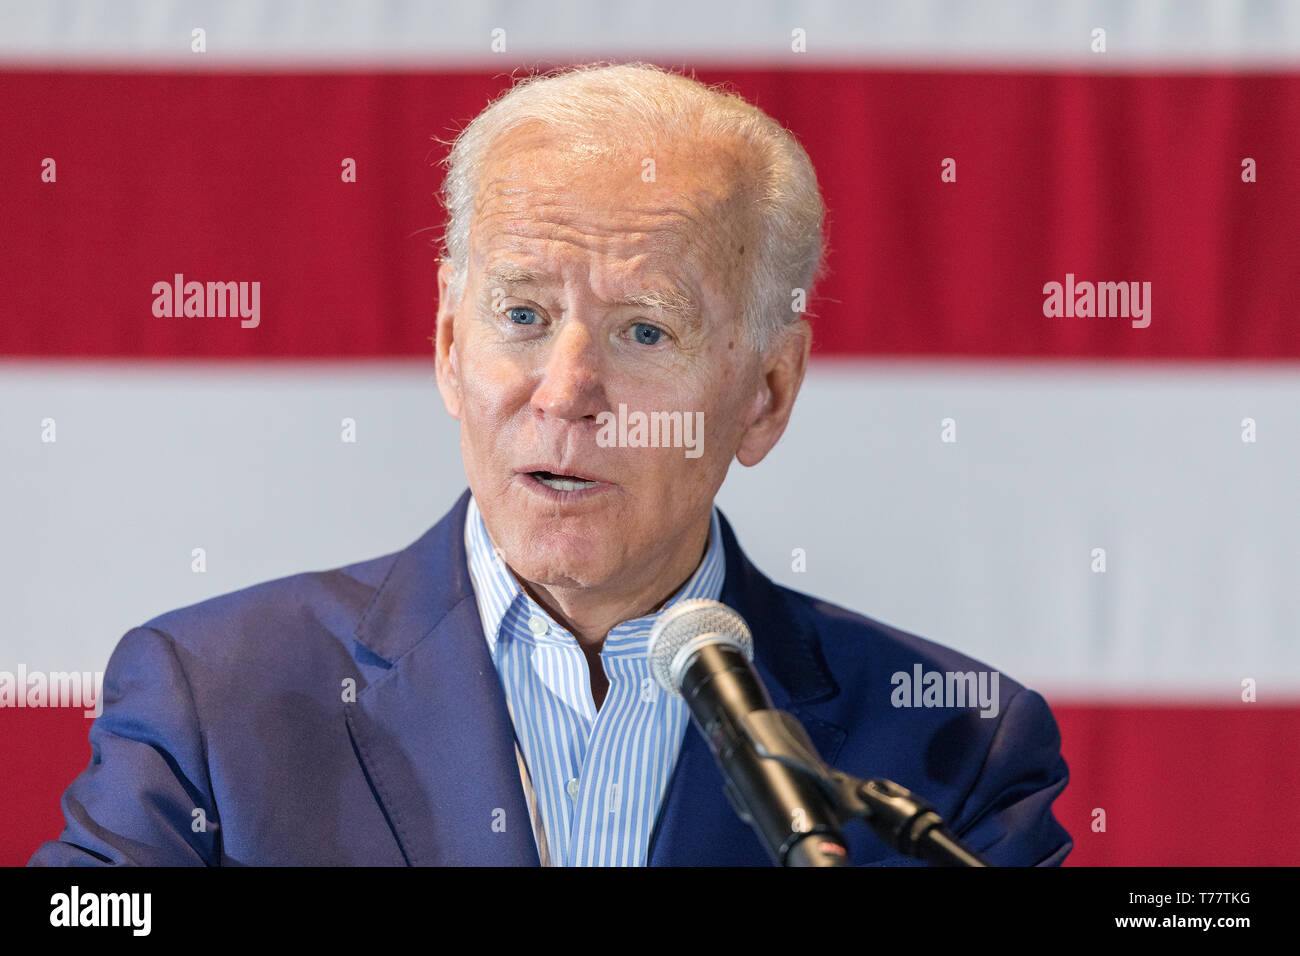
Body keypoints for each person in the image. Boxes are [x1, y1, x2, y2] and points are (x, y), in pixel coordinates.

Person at [30, 62, 1071, 866]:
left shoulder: (952, 744)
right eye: (522, 316)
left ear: (765, 394)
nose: (565, 388)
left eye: (644, 331)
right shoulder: (214, 698)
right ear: (449, 346)